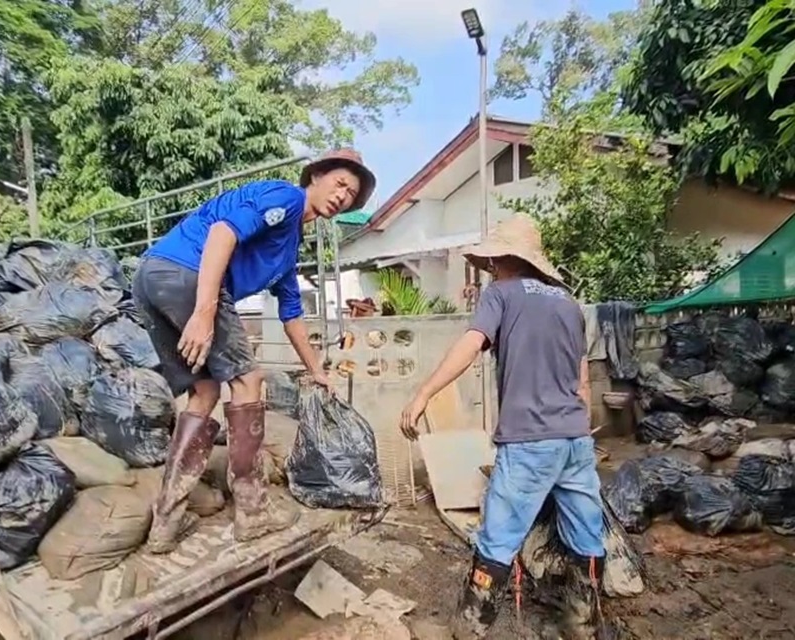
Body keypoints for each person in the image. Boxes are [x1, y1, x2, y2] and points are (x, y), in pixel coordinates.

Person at [132, 150, 376, 553]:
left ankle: (165, 522)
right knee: (250, 379)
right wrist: (205, 311)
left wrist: (316, 369)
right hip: (185, 273)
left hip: (151, 278)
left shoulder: (287, 247)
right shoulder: (287, 197)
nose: (342, 195)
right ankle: (253, 511)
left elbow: (292, 313)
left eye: (350, 193)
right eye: (339, 183)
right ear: (315, 176)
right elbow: (222, 233)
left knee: (205, 391)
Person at [398, 214, 607, 638]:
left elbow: (470, 345)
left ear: (505, 260)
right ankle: (584, 624)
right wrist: (578, 431)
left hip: (530, 439)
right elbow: (582, 379)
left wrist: (424, 393)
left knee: (498, 534)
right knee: (587, 532)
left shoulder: (502, 294)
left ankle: (471, 626)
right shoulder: (568, 303)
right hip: (575, 439)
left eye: (493, 261)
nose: (491, 268)